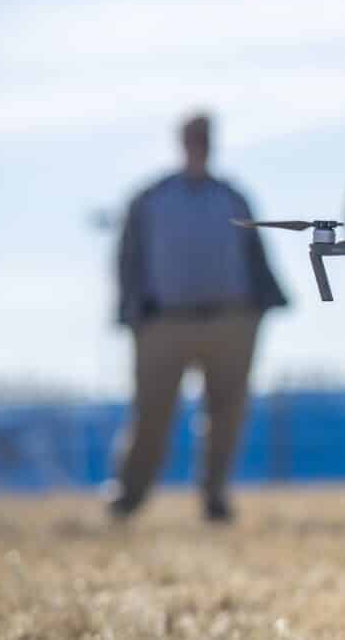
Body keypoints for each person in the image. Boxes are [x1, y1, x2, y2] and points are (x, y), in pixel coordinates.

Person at [110, 113, 287, 523]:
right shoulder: (149, 198)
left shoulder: (233, 197)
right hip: (163, 324)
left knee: (226, 416)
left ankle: (215, 497)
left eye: (204, 138)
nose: (198, 145)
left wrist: (258, 308)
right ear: (180, 142)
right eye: (192, 138)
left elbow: (256, 256)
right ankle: (128, 497)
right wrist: (133, 313)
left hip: (230, 321)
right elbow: (128, 260)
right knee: (151, 415)